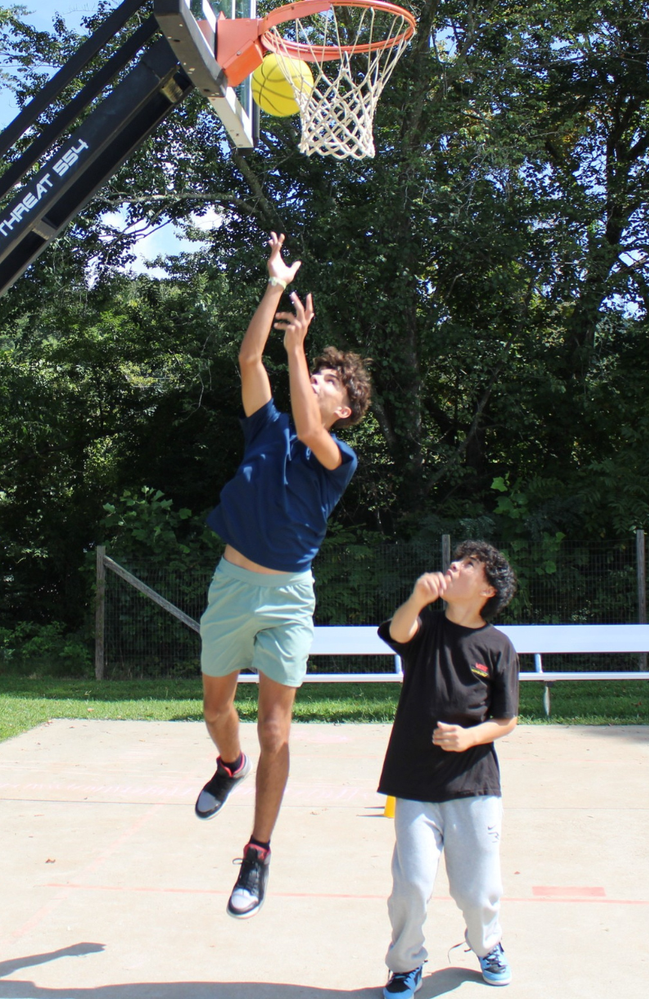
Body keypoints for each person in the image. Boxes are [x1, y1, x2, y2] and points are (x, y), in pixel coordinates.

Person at [193, 231, 372, 920]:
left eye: (329, 382)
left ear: (343, 409)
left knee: (277, 729)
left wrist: (299, 350)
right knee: (216, 712)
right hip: (233, 585)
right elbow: (247, 357)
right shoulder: (266, 427)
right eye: (315, 372)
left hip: (289, 599)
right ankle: (227, 765)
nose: (318, 382)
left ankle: (257, 852)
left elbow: (306, 415)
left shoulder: (338, 457)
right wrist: (273, 285)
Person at [376, 541, 520, 997]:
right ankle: (405, 964)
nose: (454, 566)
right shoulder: (427, 628)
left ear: (487, 589)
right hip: (415, 782)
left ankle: (487, 944)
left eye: (469, 565)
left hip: (474, 786)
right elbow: (399, 632)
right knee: (411, 887)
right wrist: (418, 599)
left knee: (476, 893)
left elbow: (506, 719)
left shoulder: (498, 646)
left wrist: (470, 737)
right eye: (455, 561)